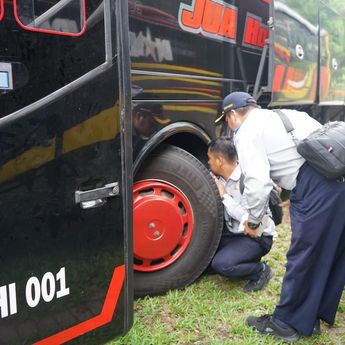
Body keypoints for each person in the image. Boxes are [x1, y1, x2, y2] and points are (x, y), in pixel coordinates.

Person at [216, 91, 345, 342]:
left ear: (232, 115)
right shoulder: (285, 115)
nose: (229, 128)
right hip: (338, 181)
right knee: (331, 250)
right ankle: (311, 316)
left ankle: (286, 323)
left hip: (314, 187)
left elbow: (257, 183)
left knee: (304, 253)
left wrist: (254, 222)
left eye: (226, 121)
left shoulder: (247, 132)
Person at [207, 137, 276, 292]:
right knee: (204, 259)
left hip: (256, 236)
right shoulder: (218, 179)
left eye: (210, 158)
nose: (208, 163)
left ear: (219, 160)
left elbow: (248, 219)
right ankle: (243, 258)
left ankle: (261, 271)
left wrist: (224, 196)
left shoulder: (248, 180)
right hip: (233, 234)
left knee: (222, 265)